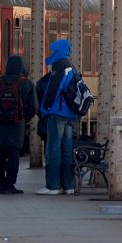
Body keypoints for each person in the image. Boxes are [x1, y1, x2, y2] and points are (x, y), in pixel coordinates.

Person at [0, 55, 38, 194]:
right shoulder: (26, 84)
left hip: (0, 126)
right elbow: (33, 107)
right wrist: (22, 118)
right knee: (13, 155)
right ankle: (9, 184)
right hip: (16, 125)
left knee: (0, 156)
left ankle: (0, 184)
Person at [35, 39, 79, 195]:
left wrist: (45, 106)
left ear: (58, 51)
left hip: (57, 112)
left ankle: (52, 186)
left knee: (53, 149)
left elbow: (54, 87)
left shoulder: (59, 65)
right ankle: (68, 185)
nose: (52, 53)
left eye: (54, 50)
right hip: (70, 115)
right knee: (67, 150)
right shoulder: (71, 66)